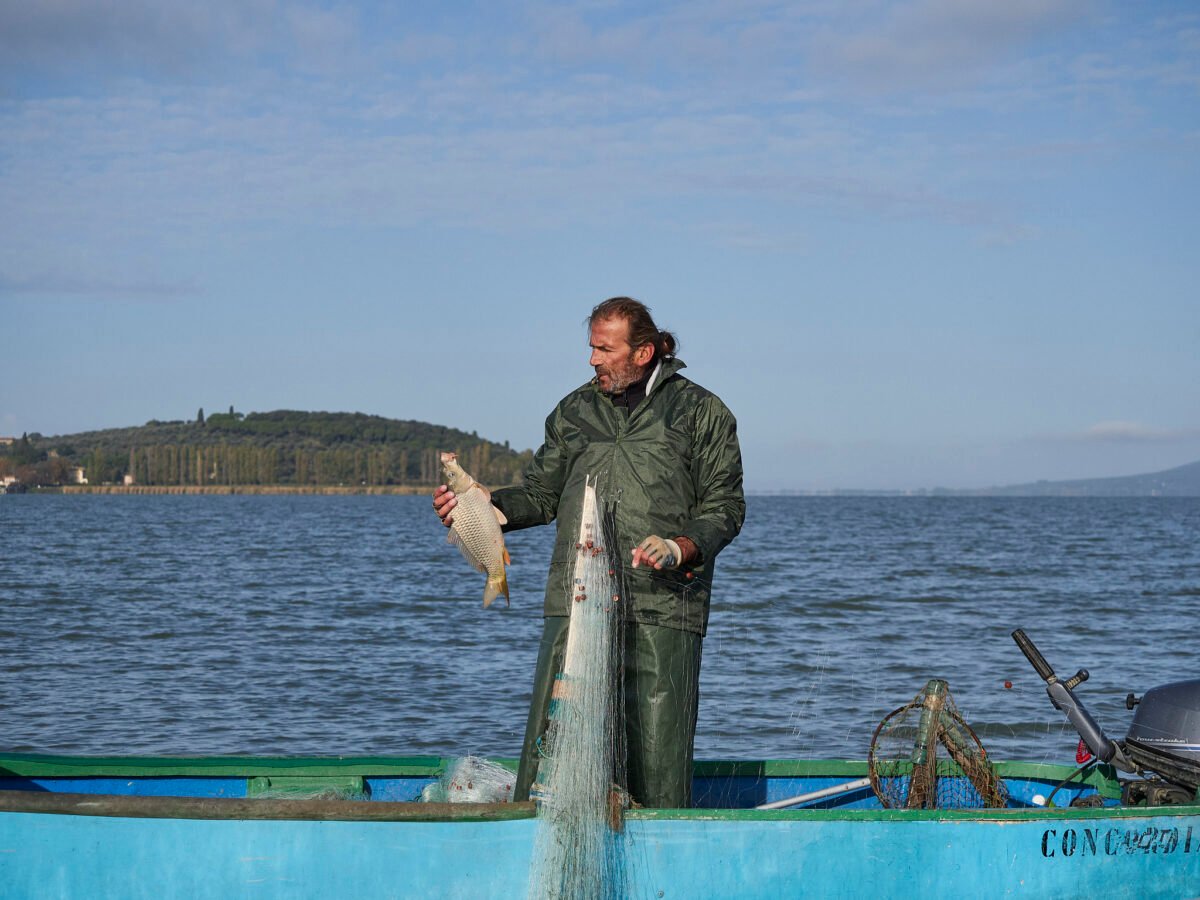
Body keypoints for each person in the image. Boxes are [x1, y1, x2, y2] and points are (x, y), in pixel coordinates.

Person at [433, 296, 745, 808]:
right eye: (591, 348)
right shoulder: (574, 411)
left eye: (605, 349)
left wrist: (680, 547)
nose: (593, 359)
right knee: (553, 747)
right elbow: (540, 495)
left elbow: (726, 506)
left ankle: (661, 851)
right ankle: (542, 831)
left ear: (643, 353)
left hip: (663, 606)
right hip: (575, 604)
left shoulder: (702, 412)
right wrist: (484, 510)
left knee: (657, 753)